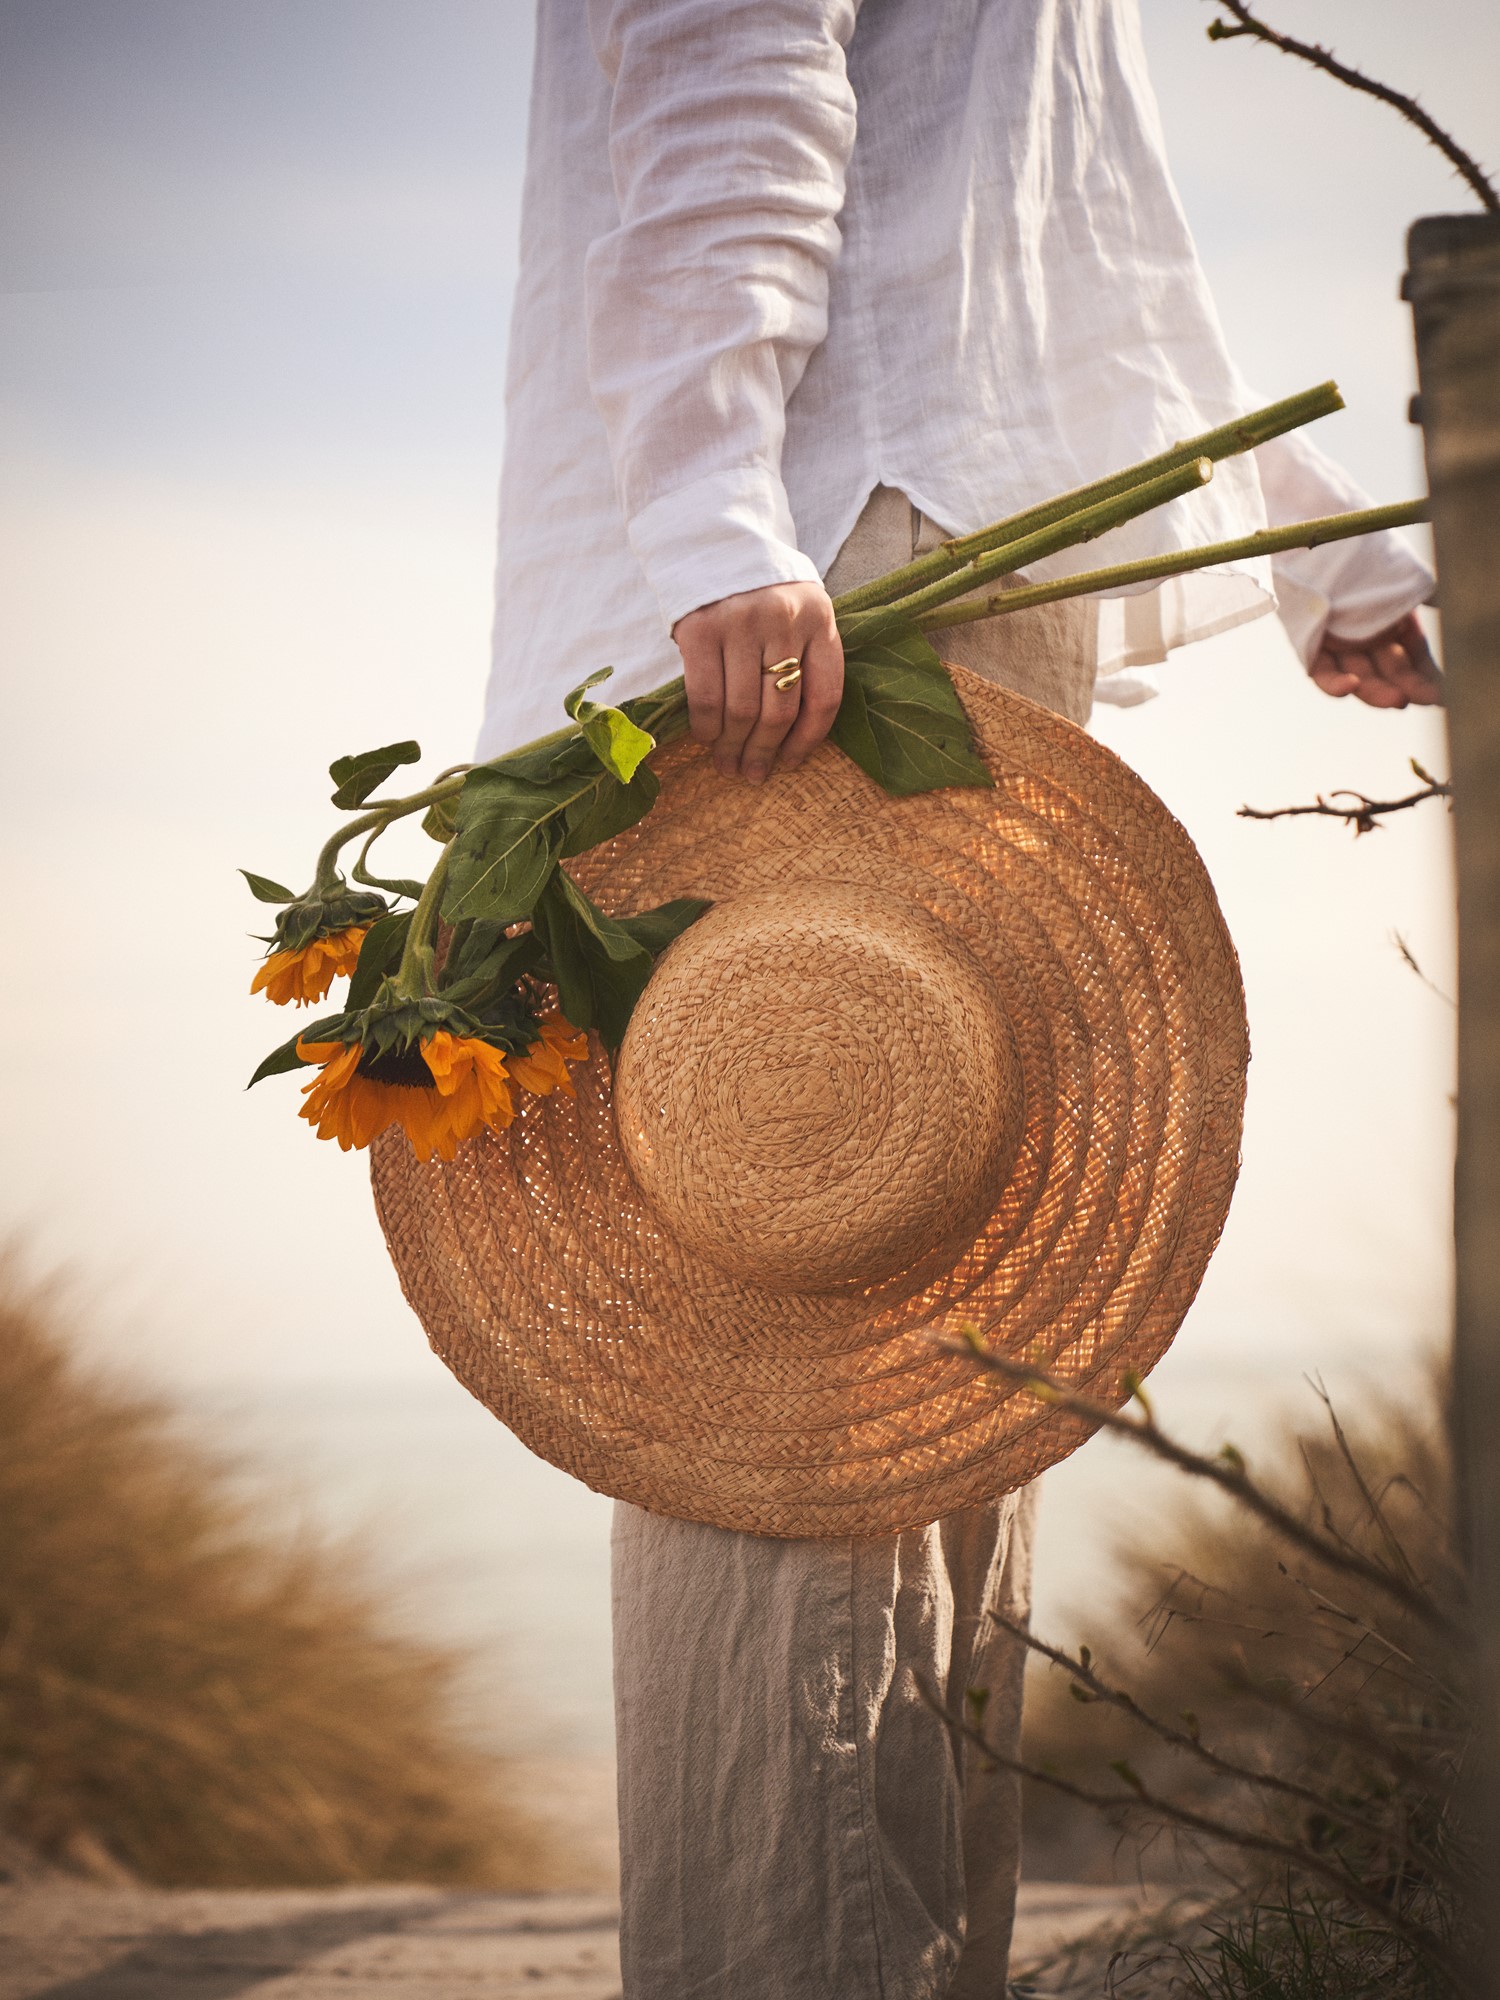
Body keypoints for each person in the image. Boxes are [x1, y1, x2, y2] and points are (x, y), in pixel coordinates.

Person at [477, 4, 1440, 1993]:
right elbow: (734, 54)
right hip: (843, 544)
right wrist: (716, 509)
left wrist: (1299, 541)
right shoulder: (771, 516)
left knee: (943, 1345)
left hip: (931, 522)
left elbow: (1055, 211)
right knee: (807, 1364)